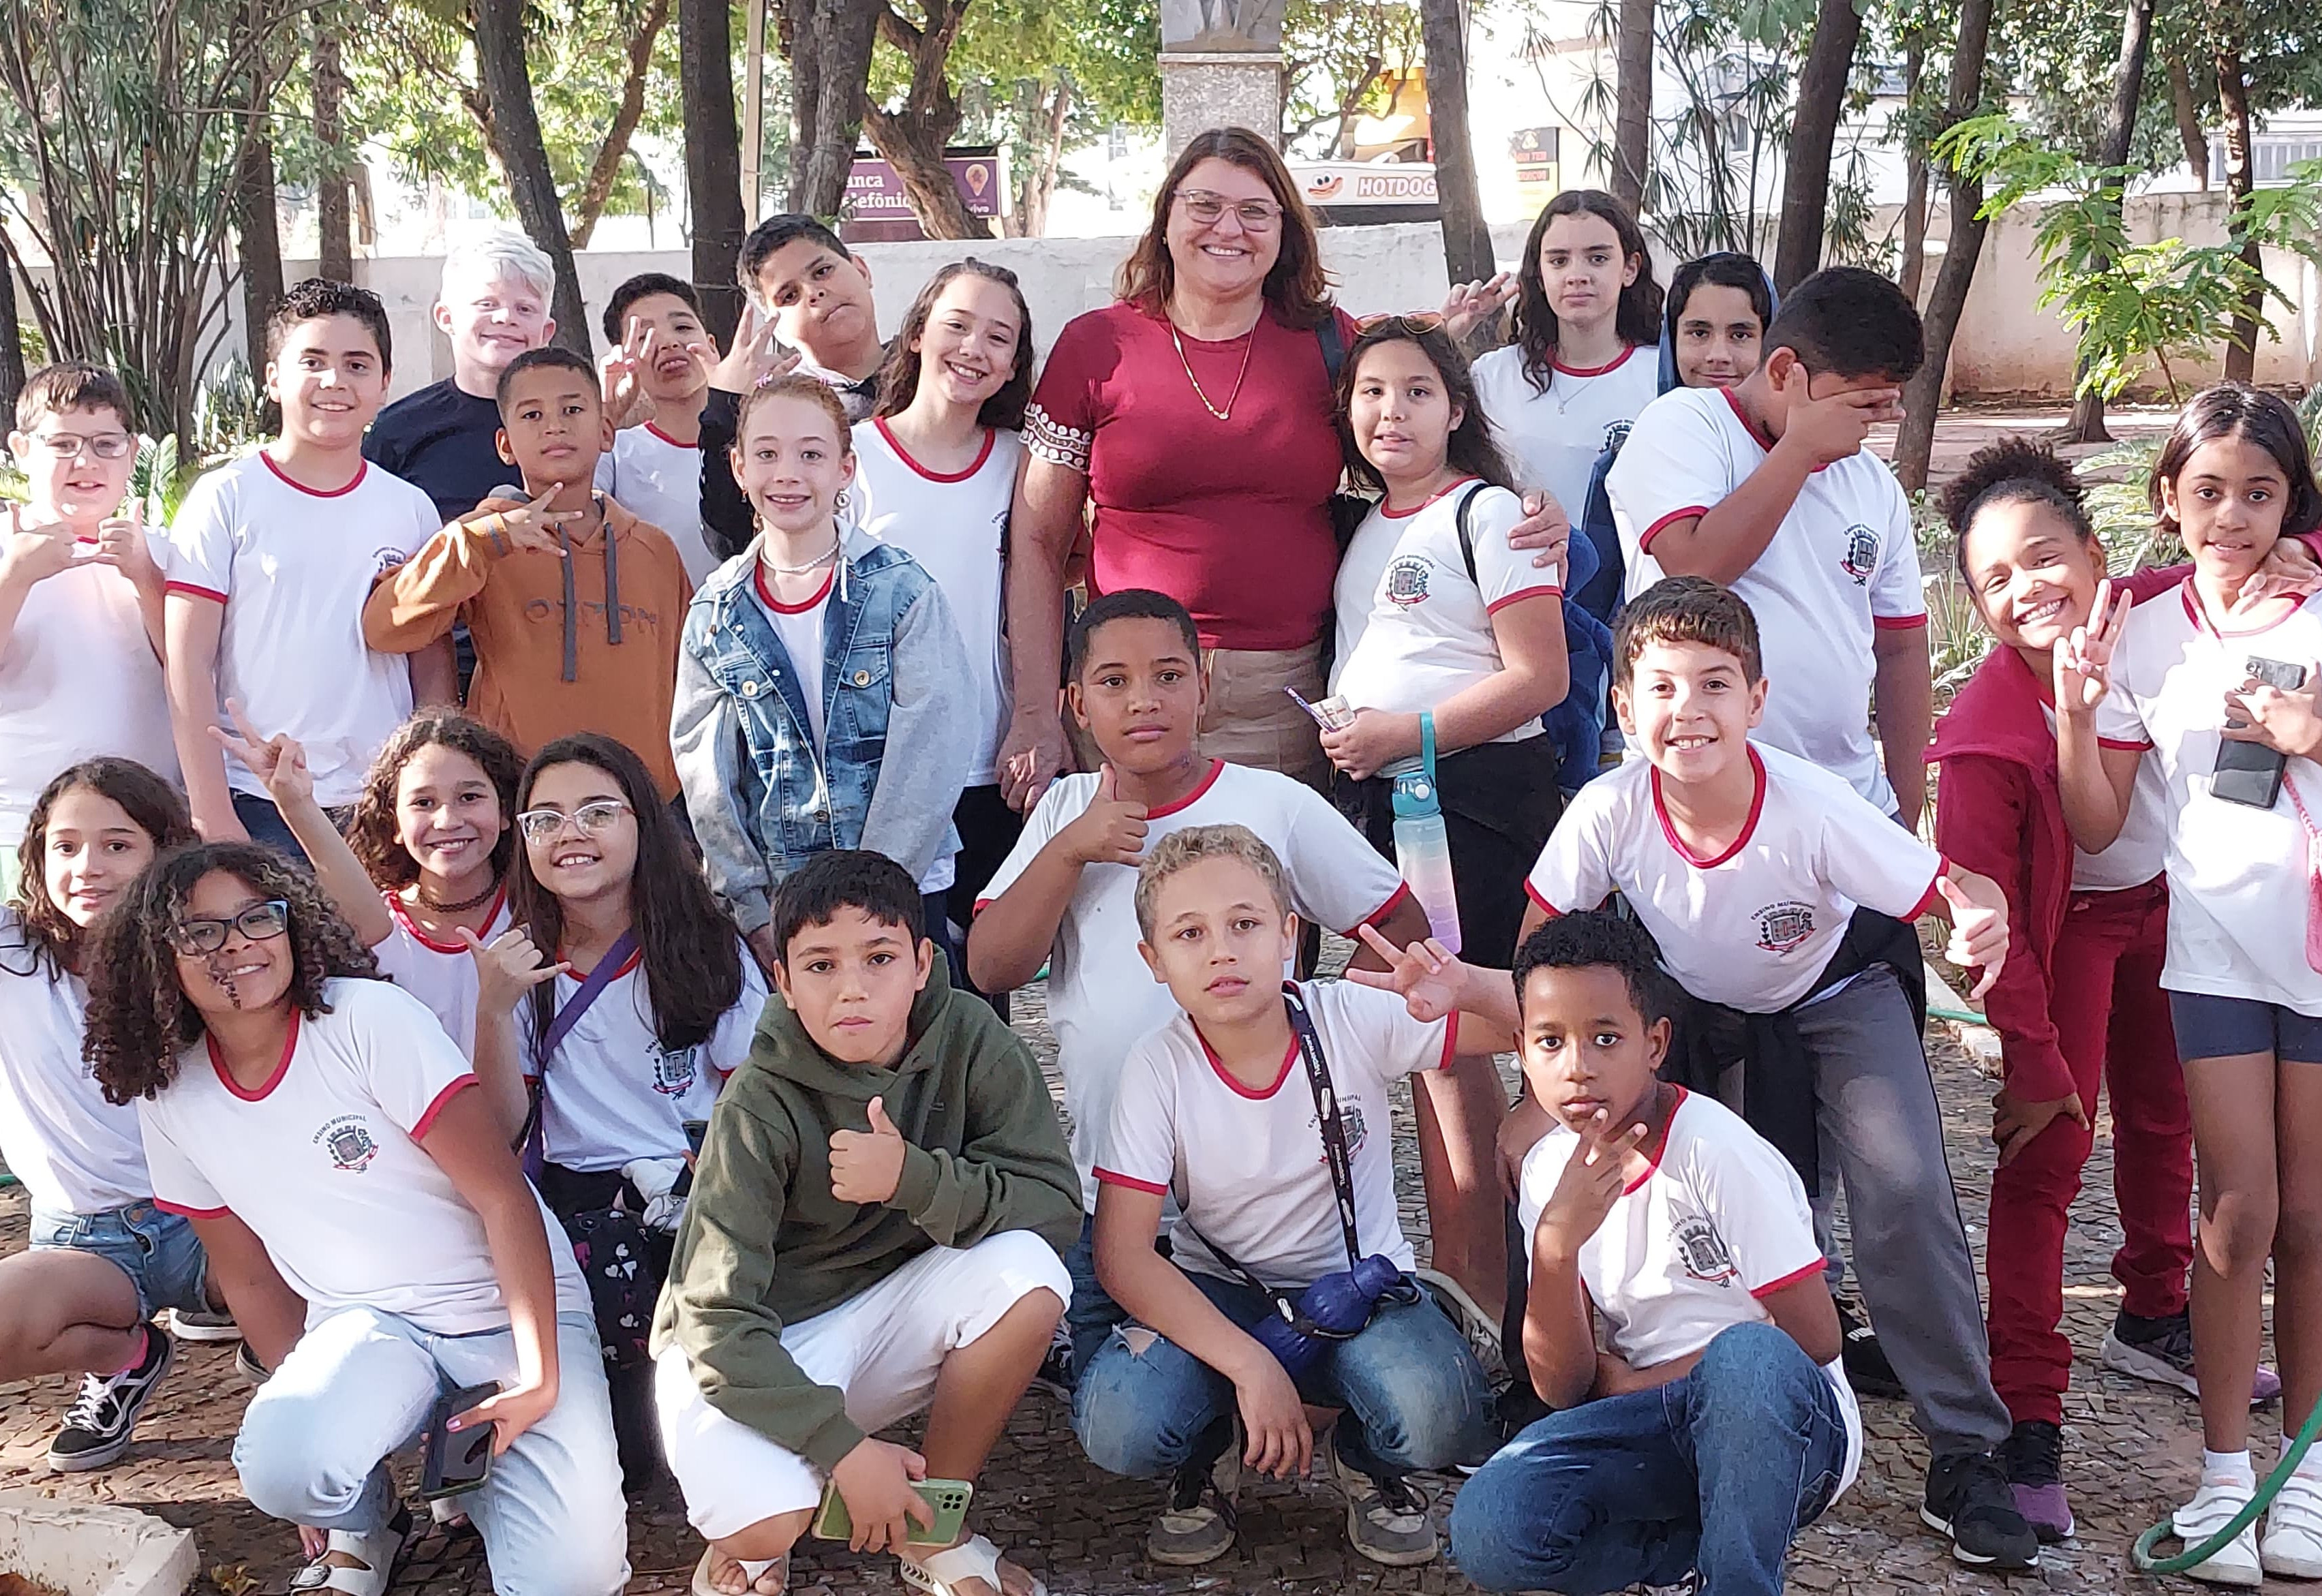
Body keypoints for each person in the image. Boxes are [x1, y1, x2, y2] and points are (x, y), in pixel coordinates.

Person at [1516, 576, 2038, 1569]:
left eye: (1714, 683)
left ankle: (1967, 1447)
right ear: (1620, 709)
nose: (1687, 710)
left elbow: (1941, 887)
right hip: (1695, 1008)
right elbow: (1540, 956)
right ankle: (1670, 1404)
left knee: (1904, 1187)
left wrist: (1977, 914)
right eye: (1660, 688)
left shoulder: (1807, 801)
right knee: (1653, 1181)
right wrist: (1527, 1090)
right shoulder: (1607, 806)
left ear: (1756, 700)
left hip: (1835, 988)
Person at [968, 592, 1492, 1390]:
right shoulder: (1066, 814)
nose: (1143, 699)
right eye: (1112, 681)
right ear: (1075, 703)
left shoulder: (1272, 802)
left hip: (1280, 1200)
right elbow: (991, 966)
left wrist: (1341, 1021)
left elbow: (1398, 925)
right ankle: (1205, 1458)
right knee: (1123, 1411)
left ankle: (1346, 1432)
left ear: (1204, 681)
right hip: (1122, 1197)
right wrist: (1068, 852)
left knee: (1394, 1389)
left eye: (1167, 674)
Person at [1930, 437, 2306, 1539]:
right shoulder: (1982, 741)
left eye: (2044, 557)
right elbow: (1995, 940)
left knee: (2166, 1120)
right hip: (2063, 936)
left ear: (2098, 557)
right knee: (2047, 1152)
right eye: (1994, 578)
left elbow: (2240, 532)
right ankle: (2028, 1413)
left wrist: (2297, 550)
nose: (2025, 588)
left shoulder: (2159, 609)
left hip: (2177, 913)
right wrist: (2034, 1058)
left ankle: (2153, 1312)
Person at [82, 841, 628, 1596]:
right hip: (370, 1326)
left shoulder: (365, 1018)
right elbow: (244, 1272)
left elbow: (503, 1195)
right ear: (156, 955)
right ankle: (370, 1518)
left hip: (506, 1316)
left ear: (293, 925)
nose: (236, 943)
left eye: (256, 917)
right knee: (285, 1464)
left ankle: (470, 1474)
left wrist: (538, 1375)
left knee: (566, 1582)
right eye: (199, 930)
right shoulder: (170, 1089)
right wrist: (328, 1472)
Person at [1006, 125, 1568, 804]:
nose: (1228, 229)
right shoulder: (1094, 346)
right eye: (1204, 205)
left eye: (1254, 211)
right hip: (1128, 698)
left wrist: (1525, 513)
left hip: (1279, 704)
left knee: (1263, 908)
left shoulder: (1331, 342)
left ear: (1283, 231)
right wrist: (1036, 711)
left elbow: (1420, 442)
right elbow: (1037, 538)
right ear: (1166, 217)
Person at [2051, 383, 2322, 1584]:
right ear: (2168, 499)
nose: (2231, 515)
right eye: (2206, 491)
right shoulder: (2143, 628)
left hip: (2314, 956)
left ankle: (2302, 1473)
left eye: (2257, 492)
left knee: (2312, 1219)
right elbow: (2097, 815)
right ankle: (2223, 1472)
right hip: (2210, 954)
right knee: (2236, 1213)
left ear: (2289, 500)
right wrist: (2071, 712)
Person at [652, 848, 1080, 1596]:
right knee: (763, 1520)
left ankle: (933, 1528)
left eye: (877, 956)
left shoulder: (969, 1035)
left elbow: (1053, 1203)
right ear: (781, 980)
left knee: (1030, 1273)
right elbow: (714, 1319)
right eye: (819, 965)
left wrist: (913, 1178)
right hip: (756, 1347)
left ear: (920, 962)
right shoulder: (756, 1100)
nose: (851, 987)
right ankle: (770, 1523)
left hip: (888, 1317)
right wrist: (846, 1449)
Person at [1075, 825, 1494, 1567]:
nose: (1221, 950)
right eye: (1189, 932)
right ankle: (1209, 1448)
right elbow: (1121, 1255)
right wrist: (1249, 1363)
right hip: (1226, 1293)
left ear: (1289, 935)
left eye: (1245, 923)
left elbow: (1543, 1021)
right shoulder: (1156, 1067)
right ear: (1154, 961)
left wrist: (1468, 986)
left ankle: (1369, 1457)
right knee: (1118, 1420)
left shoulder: (1347, 1016)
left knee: (1439, 1413)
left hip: (1362, 1291)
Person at [1429, 910, 1855, 1596]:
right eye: (1549, 1041)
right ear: (1520, 1049)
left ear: (1653, 1043)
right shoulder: (1546, 1170)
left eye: (1605, 1038)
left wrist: (1636, 1381)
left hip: (1785, 1421)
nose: (1577, 1067)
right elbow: (1562, 1386)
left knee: (1744, 1357)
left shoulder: (1716, 1153)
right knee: (1491, 1524)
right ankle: (1691, 1555)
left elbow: (1814, 1337)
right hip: (1656, 1427)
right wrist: (1555, 1247)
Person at [453, 732, 765, 1488]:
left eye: (598, 811)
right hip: (580, 1213)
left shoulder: (707, 946)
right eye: (545, 818)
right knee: (631, 1461)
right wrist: (493, 1009)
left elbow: (753, 1089)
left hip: (697, 1198)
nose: (571, 833)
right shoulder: (520, 961)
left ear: (642, 824)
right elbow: (499, 1129)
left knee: (706, 1424)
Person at [672, 373, 975, 972]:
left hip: (904, 886)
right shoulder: (714, 613)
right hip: (786, 898)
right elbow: (705, 772)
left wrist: (874, 891)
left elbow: (933, 747)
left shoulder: (901, 591)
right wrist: (751, 907)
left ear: (845, 469)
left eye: (811, 454)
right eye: (766, 454)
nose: (787, 474)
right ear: (737, 468)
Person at [1610, 266, 1927, 825]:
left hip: (1852, 807)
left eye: (1883, 409)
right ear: (1784, 371)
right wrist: (1800, 449)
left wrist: (1901, 813)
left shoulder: (1872, 483)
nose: (1869, 427)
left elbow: (1900, 649)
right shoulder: (1684, 425)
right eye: (1857, 407)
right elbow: (1694, 569)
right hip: (1701, 815)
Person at [0, 761, 246, 1473]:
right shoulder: (13, 955)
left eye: (117, 844)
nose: (88, 866)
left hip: (212, 1219)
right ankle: (126, 1354)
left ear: (163, 852)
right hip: (85, 1240)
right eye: (66, 846)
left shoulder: (199, 946)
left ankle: (276, 1356)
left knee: (322, 1282)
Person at [164, 278, 455, 855]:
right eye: (313, 361)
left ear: (384, 384)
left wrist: (429, 779)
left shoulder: (411, 508)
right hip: (259, 798)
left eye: (356, 364)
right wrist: (214, 812)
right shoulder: (226, 497)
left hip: (382, 800)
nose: (334, 382)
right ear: (273, 378)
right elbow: (187, 661)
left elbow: (431, 660)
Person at [1326, 313, 1568, 962]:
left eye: (1418, 392)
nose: (1392, 411)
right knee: (1436, 1037)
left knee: (1406, 1001)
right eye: (1371, 392)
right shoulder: (1361, 523)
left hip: (1474, 801)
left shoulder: (1491, 513)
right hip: (1390, 798)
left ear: (1456, 412)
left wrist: (1407, 735)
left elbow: (1541, 677)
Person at [363, 344, 692, 799]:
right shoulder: (479, 538)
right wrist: (485, 542)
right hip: (521, 800)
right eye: (532, 415)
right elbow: (385, 628)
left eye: (572, 409)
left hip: (643, 807)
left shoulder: (654, 551)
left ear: (605, 431)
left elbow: (691, 679)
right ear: (504, 444)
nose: (554, 425)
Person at [852, 260, 1035, 1009]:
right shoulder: (850, 455)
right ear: (920, 330)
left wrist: (1034, 717)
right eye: (958, 324)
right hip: (881, 765)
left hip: (985, 764)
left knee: (978, 987)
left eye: (1000, 337)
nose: (974, 348)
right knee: (891, 975)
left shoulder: (1020, 465)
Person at [0, 362, 175, 898]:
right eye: (62, 444)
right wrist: (16, 577)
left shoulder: (167, 549)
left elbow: (199, 675)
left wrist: (147, 580)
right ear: (21, 449)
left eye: (106, 444)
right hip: (18, 825)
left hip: (147, 826)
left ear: (134, 451)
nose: (85, 462)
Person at [1471, 189, 1664, 577]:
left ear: (1630, 268)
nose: (1577, 275)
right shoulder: (1492, 377)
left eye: (1597, 258)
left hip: (1632, 603)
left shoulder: (1664, 377)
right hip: (1519, 591)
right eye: (1559, 260)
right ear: (1539, 275)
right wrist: (1445, 332)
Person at [697, 215, 891, 563]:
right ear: (777, 330)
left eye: (822, 272)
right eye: (789, 295)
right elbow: (731, 541)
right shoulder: (775, 411)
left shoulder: (934, 372)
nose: (815, 293)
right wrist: (725, 405)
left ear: (861, 270)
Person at [364, 230, 560, 526]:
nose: (506, 317)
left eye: (525, 308)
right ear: (446, 318)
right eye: (487, 304)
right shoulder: (399, 429)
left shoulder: (568, 424)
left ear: (546, 332)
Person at [596, 272, 726, 585]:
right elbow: (571, 514)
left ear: (711, 344)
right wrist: (607, 415)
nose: (669, 342)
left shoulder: (759, 445)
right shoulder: (614, 452)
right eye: (644, 338)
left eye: (682, 327)